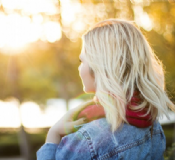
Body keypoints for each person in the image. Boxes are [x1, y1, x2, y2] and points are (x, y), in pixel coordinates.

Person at [37, 19, 175, 160]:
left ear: (100, 67)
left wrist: (52, 135)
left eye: (82, 61)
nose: (80, 68)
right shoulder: (150, 121)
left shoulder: (88, 140)